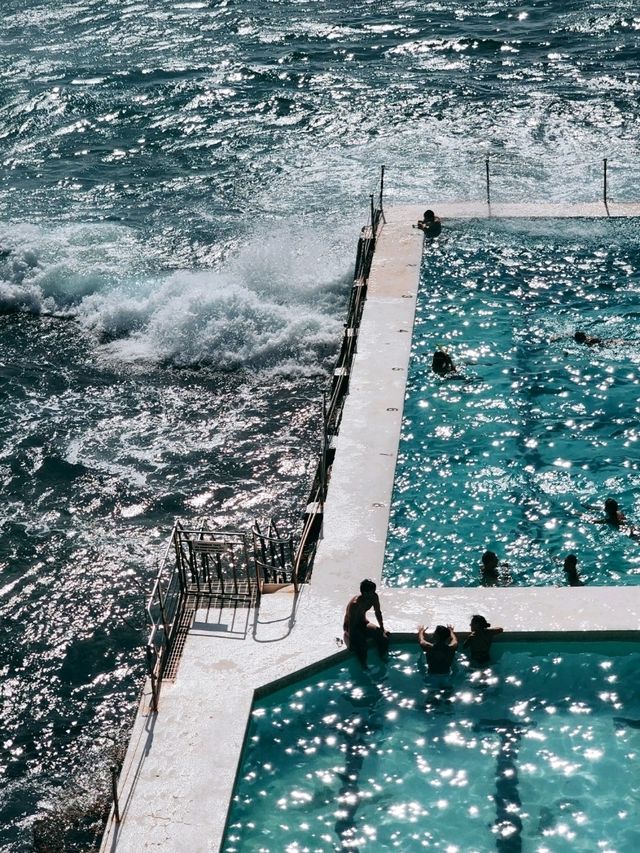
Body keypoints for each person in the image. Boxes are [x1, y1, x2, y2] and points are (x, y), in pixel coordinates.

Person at [343, 578, 390, 666]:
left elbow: (378, 612)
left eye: (374, 591)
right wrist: (352, 640)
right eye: (371, 592)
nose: (373, 594)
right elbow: (352, 622)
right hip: (351, 626)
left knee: (383, 637)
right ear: (364, 592)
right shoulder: (355, 604)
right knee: (362, 646)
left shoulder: (374, 597)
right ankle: (364, 665)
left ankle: (382, 657)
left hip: (363, 622)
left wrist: (382, 628)